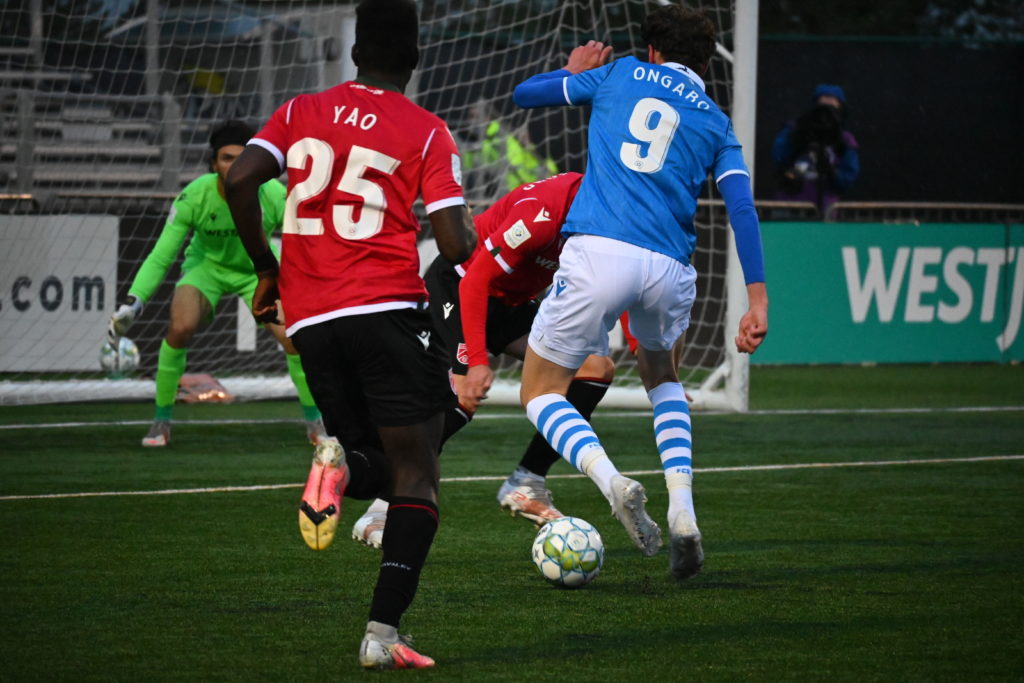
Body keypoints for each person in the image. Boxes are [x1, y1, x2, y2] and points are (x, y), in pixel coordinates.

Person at [224, 0, 476, 670]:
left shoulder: (301, 109)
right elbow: (453, 243)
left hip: (310, 322)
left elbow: (241, 177)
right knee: (420, 474)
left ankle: (334, 470)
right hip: (384, 309)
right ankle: (381, 634)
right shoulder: (425, 130)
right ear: (416, 59)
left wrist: (266, 267)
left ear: (355, 54)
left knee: (380, 463)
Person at [511, 6, 768, 580]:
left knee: (540, 388)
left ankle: (611, 481)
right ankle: (683, 511)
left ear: (652, 50)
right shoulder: (715, 120)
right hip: (670, 268)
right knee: (663, 377)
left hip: (600, 249)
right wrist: (757, 301)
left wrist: (572, 70)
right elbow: (743, 210)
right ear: (706, 61)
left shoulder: (619, 72)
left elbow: (524, 95)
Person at [350, 172, 616, 549]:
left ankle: (527, 481)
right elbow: (475, 280)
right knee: (460, 395)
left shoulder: (613, 214)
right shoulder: (542, 214)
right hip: (460, 285)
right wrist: (475, 361)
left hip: (509, 301)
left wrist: (640, 341)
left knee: (595, 368)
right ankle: (380, 506)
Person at [107, 119, 325, 447]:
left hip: (258, 271)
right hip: (205, 268)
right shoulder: (194, 196)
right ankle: (160, 423)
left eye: (241, 157)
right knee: (179, 328)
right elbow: (161, 255)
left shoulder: (275, 195)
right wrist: (135, 301)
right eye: (226, 158)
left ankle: (317, 424)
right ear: (213, 164)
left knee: (293, 340)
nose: (234, 165)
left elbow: (308, 241)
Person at [772, 83, 860, 215]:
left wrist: (832, 173)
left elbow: (848, 178)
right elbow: (778, 157)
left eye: (832, 109)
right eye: (822, 108)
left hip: (826, 208)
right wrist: (797, 138)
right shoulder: (794, 129)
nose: (826, 115)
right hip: (789, 205)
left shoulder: (844, 141)